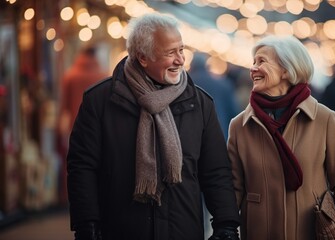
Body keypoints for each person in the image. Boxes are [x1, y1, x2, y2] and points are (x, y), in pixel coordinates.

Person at [67, 13, 240, 240]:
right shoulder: (100, 101)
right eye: (170, 53)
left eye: (181, 50)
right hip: (121, 230)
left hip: (182, 230)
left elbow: (216, 170)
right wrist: (86, 224)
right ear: (143, 57)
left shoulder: (199, 103)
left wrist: (226, 225)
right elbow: (82, 167)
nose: (180, 60)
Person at [227, 35, 335, 240]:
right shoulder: (239, 126)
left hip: (311, 231)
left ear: (287, 70)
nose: (253, 69)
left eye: (261, 61)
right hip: (259, 232)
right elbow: (233, 186)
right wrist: (226, 228)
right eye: (253, 62)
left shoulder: (323, 118)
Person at [57, 46, 108, 205]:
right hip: (101, 127)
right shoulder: (103, 76)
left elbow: (64, 106)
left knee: (77, 163)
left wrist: (61, 128)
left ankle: (72, 198)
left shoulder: (71, 75)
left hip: (76, 126)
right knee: (101, 162)